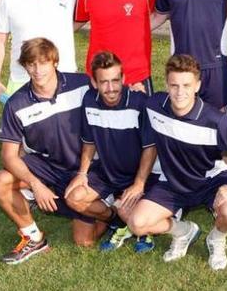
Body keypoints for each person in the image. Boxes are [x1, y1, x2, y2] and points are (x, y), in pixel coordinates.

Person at [125, 54, 227, 270]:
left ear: (198, 85)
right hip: (173, 182)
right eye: (174, 85)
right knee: (137, 223)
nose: (180, 92)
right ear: (166, 84)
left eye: (186, 85)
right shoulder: (154, 106)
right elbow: (133, 100)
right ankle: (183, 232)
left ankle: (216, 239)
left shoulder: (215, 120)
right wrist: (133, 93)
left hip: (211, 182)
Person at [0, 38, 100, 264]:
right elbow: (8, 156)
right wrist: (35, 184)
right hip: (48, 168)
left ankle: (108, 213)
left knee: (84, 242)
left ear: (55, 62)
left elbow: (112, 100)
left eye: (43, 63)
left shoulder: (82, 84)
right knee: (1, 180)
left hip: (87, 167)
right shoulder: (16, 103)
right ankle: (33, 237)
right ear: (25, 66)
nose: (37, 70)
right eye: (31, 64)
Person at [63, 51, 159, 254]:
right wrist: (82, 174)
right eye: (104, 82)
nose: (111, 88)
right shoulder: (89, 100)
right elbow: (89, 142)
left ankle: (141, 229)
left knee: (138, 218)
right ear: (94, 83)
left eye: (115, 80)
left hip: (138, 176)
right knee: (73, 198)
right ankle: (115, 219)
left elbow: (150, 148)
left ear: (123, 79)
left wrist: (139, 183)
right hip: (108, 174)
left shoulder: (139, 102)